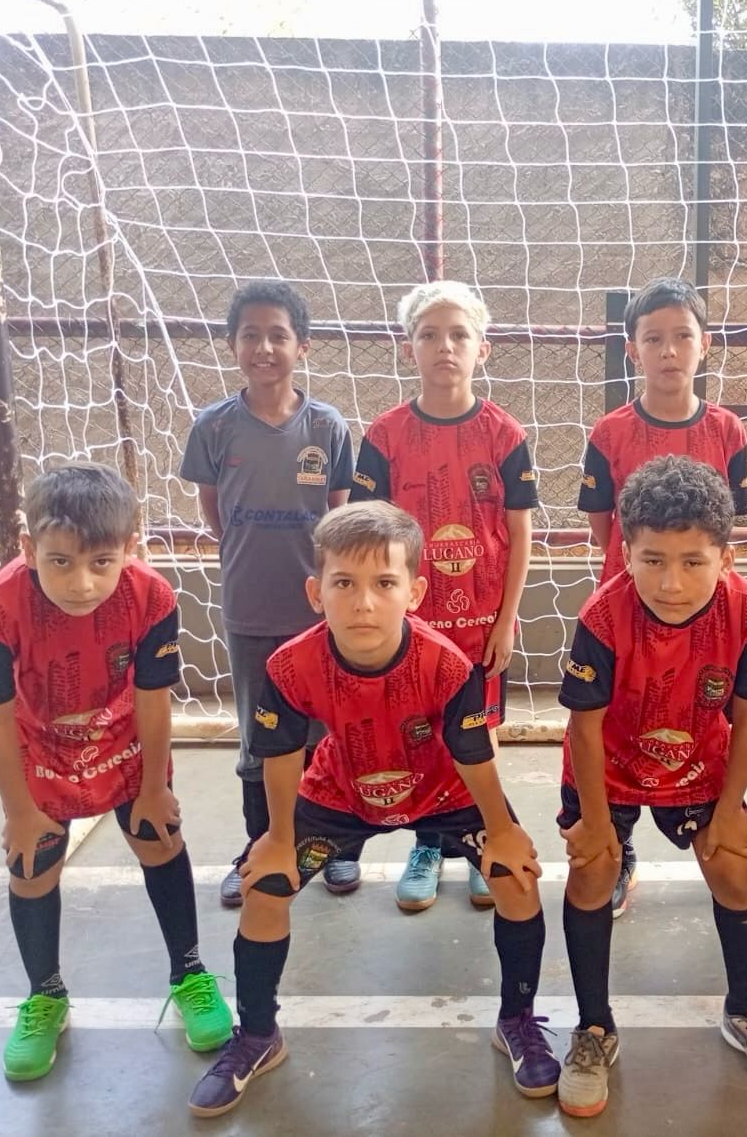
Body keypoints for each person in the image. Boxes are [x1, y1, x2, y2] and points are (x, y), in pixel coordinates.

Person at [188, 502, 554, 1118]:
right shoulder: (289, 665)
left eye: (385, 583)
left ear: (415, 593)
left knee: (515, 880)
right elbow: (281, 754)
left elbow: (471, 753)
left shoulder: (447, 664)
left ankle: (517, 1021)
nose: (363, 602)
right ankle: (257, 1035)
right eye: (344, 583)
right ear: (316, 593)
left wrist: (503, 829)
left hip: (442, 790)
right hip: (342, 790)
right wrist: (277, 837)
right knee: (264, 888)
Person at [0, 464, 231, 1081]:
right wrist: (19, 810)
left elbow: (153, 700)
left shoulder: (152, 597)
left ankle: (190, 973)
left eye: (101, 562)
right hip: (40, 750)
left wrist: (154, 787)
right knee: (32, 867)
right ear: (28, 547)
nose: (81, 583)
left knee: (159, 839)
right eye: (60, 562)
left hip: (123, 740)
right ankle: (46, 996)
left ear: (130, 548)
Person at [555, 455, 747, 1118]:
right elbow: (584, 728)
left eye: (693, 561)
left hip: (698, 762)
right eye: (653, 560)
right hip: (609, 766)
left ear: (725, 556)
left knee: (735, 872)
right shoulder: (602, 616)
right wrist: (596, 822)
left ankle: (745, 1011)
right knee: (592, 872)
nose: (671, 582)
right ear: (625, 553)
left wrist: (730, 810)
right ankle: (594, 1027)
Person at [576, 276, 747, 919]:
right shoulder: (609, 432)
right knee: (620, 722)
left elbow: (727, 524)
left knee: (709, 723)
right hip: (632, 609)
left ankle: (732, 831)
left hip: (705, 611)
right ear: (632, 349)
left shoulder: (727, 429)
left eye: (682, 337)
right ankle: (618, 845)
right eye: (653, 339)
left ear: (705, 343)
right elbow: (604, 527)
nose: (669, 351)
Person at [352, 280, 536, 913]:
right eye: (429, 335)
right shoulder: (385, 435)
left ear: (482, 348)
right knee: (420, 738)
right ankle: (428, 845)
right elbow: (368, 537)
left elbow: (518, 531)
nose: (445, 347)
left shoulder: (503, 433)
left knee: (476, 739)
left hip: (482, 625)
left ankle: (482, 839)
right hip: (413, 629)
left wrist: (506, 620)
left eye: (459, 335)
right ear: (410, 349)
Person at [180, 280, 357, 907]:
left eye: (278, 335)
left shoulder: (327, 426)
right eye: (250, 335)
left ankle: (331, 845)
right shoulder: (214, 427)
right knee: (260, 737)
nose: (264, 347)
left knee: (325, 733)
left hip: (318, 612)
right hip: (250, 608)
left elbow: (337, 522)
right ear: (232, 345)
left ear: (302, 346)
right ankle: (262, 847)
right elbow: (215, 514)